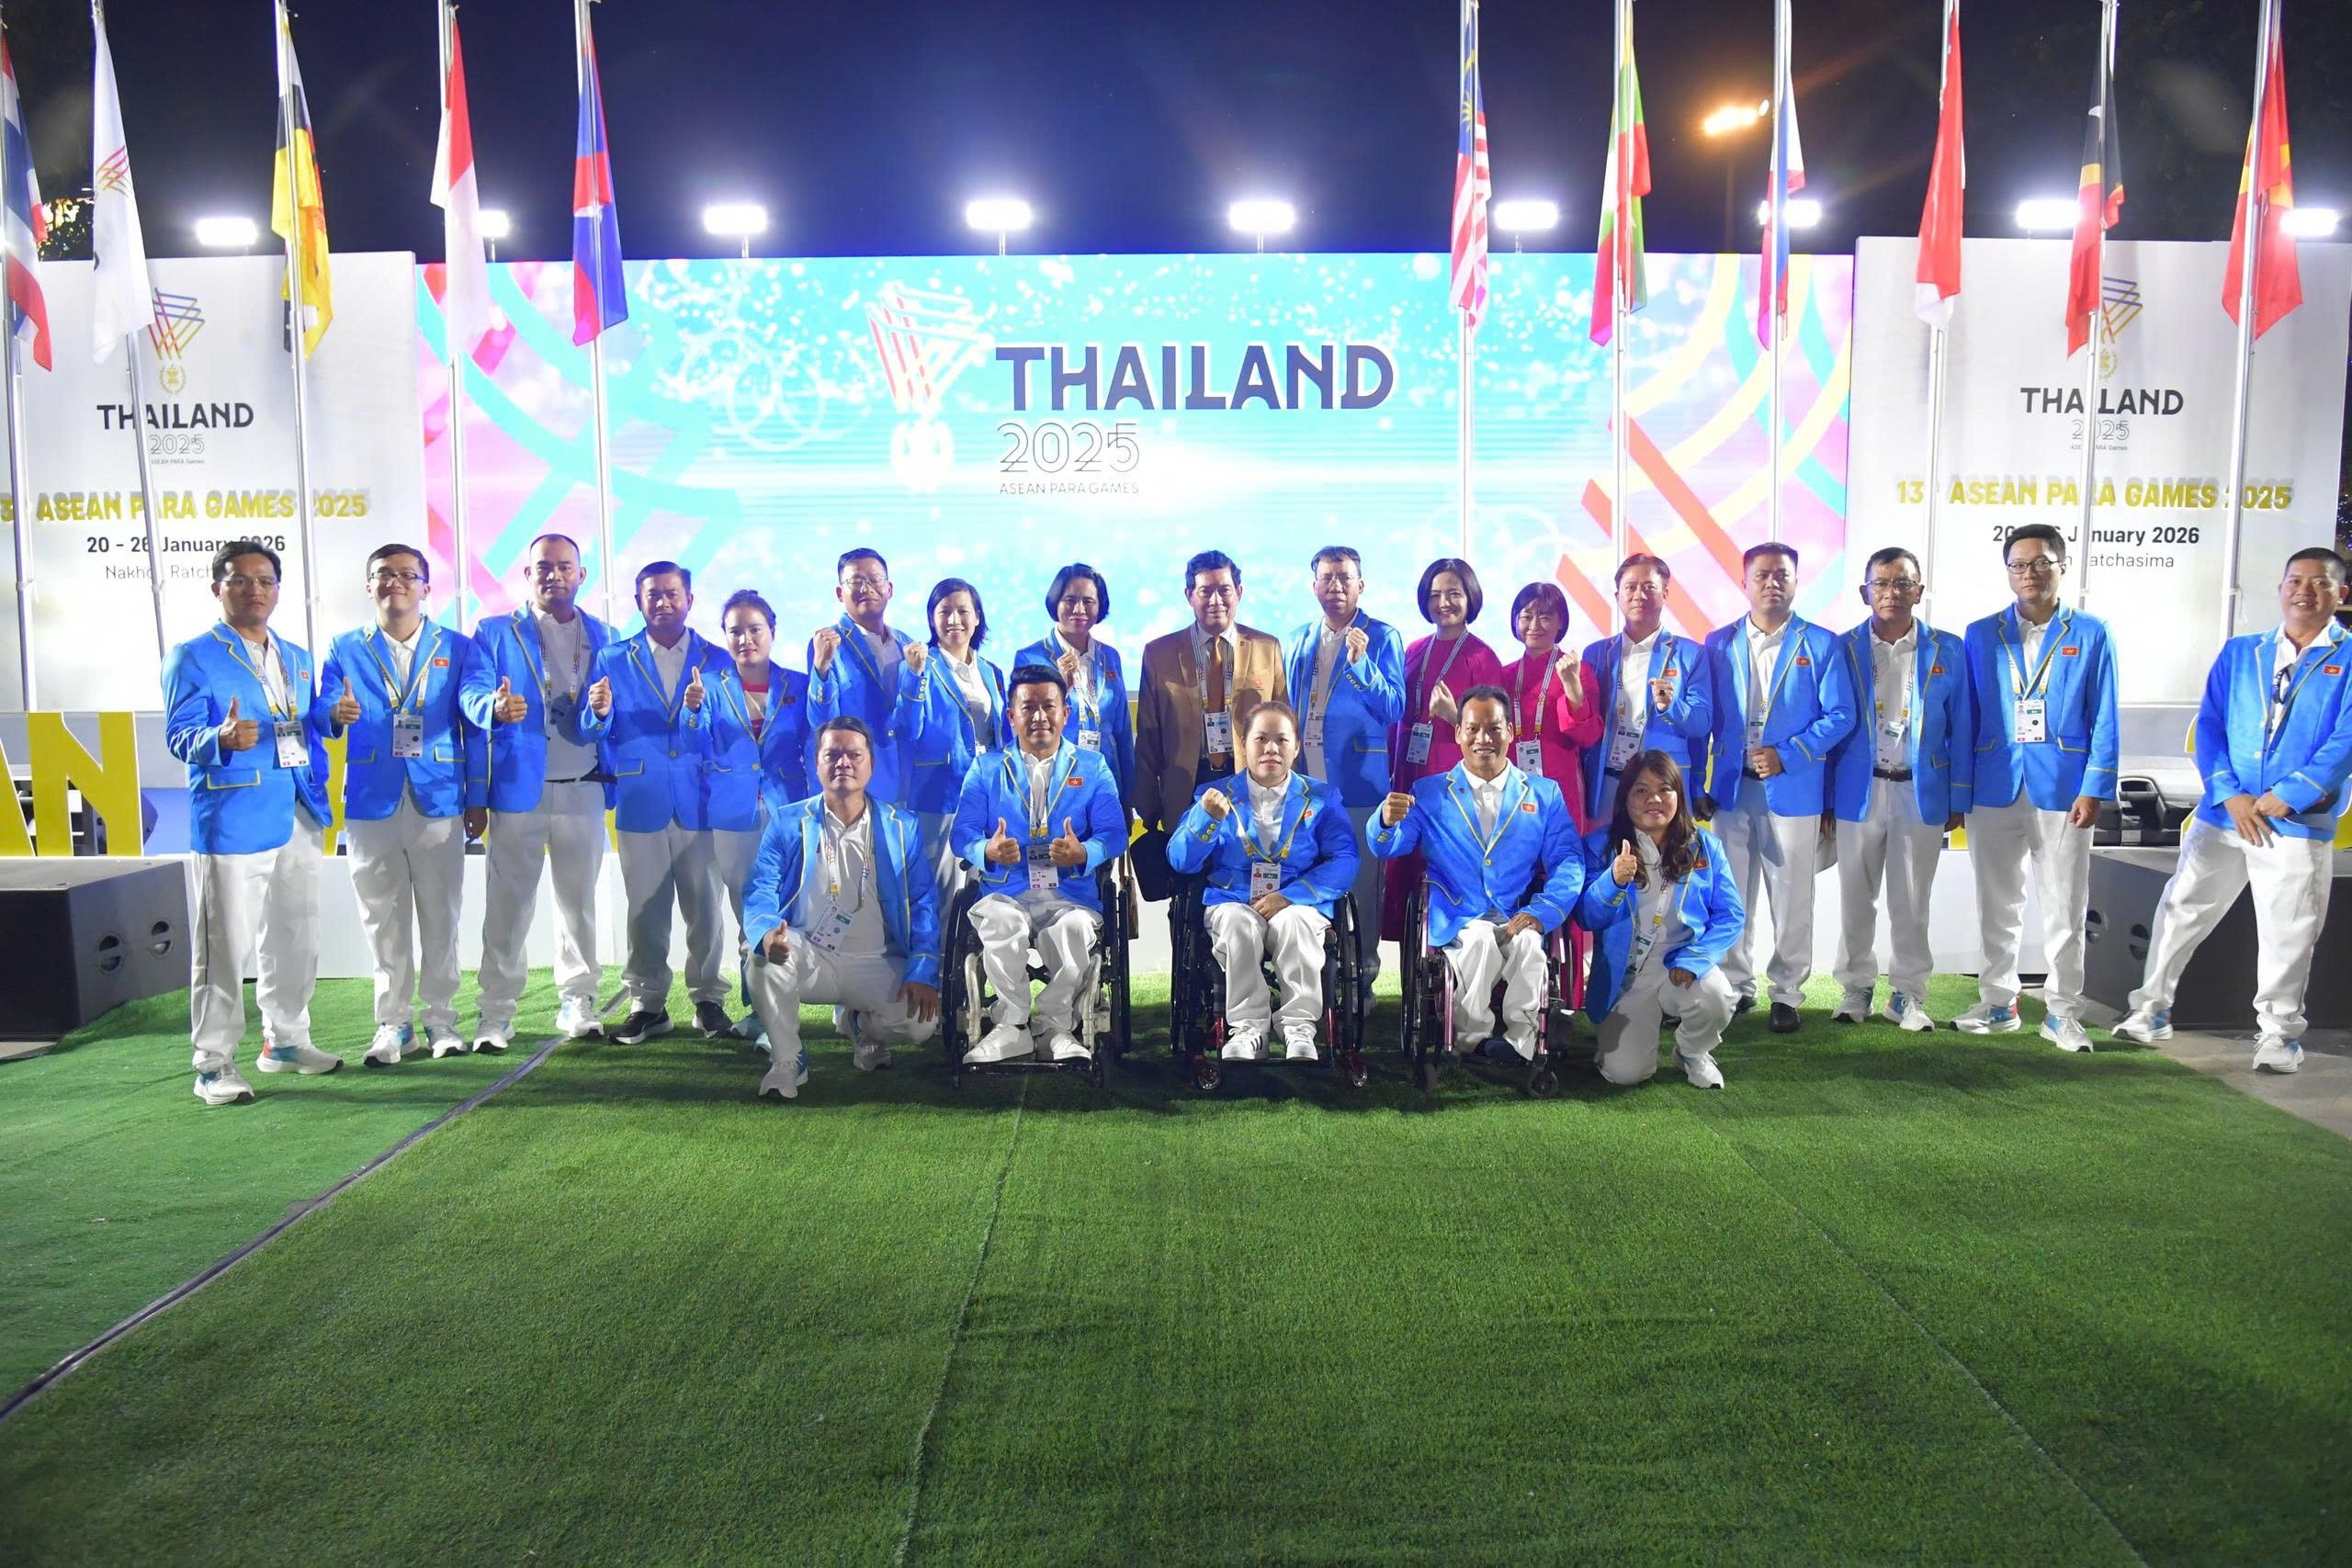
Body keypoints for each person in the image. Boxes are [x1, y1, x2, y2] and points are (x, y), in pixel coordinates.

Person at [2114, 547, 2352, 1071]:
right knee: (2182, 907)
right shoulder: (2243, 651)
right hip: (2225, 814)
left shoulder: (2349, 657)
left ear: (2341, 593)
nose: (2304, 591)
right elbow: (2211, 724)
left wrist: (2291, 794)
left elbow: (2346, 740)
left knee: (2289, 930)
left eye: (2319, 583)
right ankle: (2149, 1010)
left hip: (2294, 822)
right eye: (2295, 581)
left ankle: (2279, 1035)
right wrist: (2229, 793)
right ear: (2281, 587)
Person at [163, 541, 343, 1104]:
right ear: (218, 588)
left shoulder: (296, 656)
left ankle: (286, 1040)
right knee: (224, 946)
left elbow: (303, 723)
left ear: (278, 590)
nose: (254, 590)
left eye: (265, 580)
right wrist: (217, 737)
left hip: (298, 809)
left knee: (296, 934)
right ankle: (213, 1063)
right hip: (233, 817)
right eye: (240, 580)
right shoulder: (193, 656)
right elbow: (179, 735)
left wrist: (331, 716)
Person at [317, 544, 485, 1066]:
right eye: (384, 575)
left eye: (407, 575)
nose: (396, 582)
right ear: (369, 586)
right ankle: (393, 1024)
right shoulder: (344, 647)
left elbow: (473, 722)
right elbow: (323, 706)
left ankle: (442, 1021)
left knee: (442, 916)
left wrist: (477, 796)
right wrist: (335, 712)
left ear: (426, 587)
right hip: (371, 798)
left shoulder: (457, 646)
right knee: (381, 918)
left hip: (440, 796)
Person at [1957, 525, 2119, 1050]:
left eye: (2042, 563)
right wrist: (1960, 789)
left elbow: (2105, 714)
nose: (2030, 573)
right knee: (1996, 904)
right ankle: (1998, 1002)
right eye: (2019, 565)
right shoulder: (1981, 634)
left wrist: (2095, 786)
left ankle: (2063, 1012)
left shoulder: (2091, 632)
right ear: (2007, 572)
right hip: (1993, 785)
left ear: (2062, 567)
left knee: (2065, 906)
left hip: (2065, 789)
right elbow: (1965, 715)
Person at [1369, 685, 1582, 1064]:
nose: (1483, 739)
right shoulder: (1429, 792)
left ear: (1510, 731)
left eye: (1494, 728)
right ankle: (1471, 1038)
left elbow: (1568, 860)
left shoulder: (1544, 793)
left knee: (1530, 944)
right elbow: (1390, 847)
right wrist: (1384, 822)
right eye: (1473, 729)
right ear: (1458, 733)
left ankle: (1523, 1042)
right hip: (1458, 916)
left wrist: (1543, 911)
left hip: (1517, 912)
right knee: (1480, 940)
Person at [461, 533, 616, 1050]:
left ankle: (578, 999)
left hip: (584, 786)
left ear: (581, 575)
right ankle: (496, 1012)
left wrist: (601, 712)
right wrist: (492, 707)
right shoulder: (494, 632)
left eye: (564, 566)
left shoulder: (607, 636)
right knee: (507, 908)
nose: (554, 575)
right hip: (515, 790)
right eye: (543, 567)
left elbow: (612, 716)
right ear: (527, 575)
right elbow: (471, 692)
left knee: (580, 905)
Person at [1698, 543, 1856, 1032]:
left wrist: (1788, 754)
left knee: (1791, 896)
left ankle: (1787, 992)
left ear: (1795, 582)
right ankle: (1736, 985)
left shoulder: (1822, 643)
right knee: (1730, 892)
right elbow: (1705, 718)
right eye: (1762, 575)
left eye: (1781, 575)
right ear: (1744, 582)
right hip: (1731, 789)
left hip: (1794, 786)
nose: (1772, 583)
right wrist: (1699, 782)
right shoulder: (1717, 643)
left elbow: (1841, 714)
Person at [741, 716, 942, 1098]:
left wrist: (922, 969)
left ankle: (859, 1025)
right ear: (816, 763)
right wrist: (767, 934)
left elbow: (923, 902)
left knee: (920, 1025)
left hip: (875, 959)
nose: (843, 763)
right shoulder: (788, 821)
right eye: (832, 755)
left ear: (871, 764)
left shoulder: (902, 826)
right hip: (809, 954)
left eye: (854, 754)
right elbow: (760, 887)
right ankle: (787, 1060)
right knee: (760, 958)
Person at [579, 559, 733, 1044]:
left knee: (705, 908)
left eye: (672, 594)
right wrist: (599, 713)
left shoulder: (718, 658)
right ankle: (647, 1004)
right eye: (653, 595)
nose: (663, 602)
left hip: (701, 800)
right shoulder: (612, 658)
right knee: (644, 910)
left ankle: (708, 1000)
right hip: (639, 797)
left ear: (689, 599)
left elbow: (727, 731)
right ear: (638, 602)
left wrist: (700, 714)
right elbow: (590, 727)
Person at [950, 666, 1127, 1063]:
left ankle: (1055, 1028)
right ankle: (1011, 1027)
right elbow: (961, 835)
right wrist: (987, 850)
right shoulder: (986, 768)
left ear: (1065, 713)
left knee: (1074, 929)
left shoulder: (1093, 766)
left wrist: (1084, 852)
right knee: (999, 922)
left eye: (1049, 706)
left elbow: (1115, 834)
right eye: (1028, 707)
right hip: (1006, 891)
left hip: (1069, 894)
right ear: (1011, 716)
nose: (1039, 716)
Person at [1827, 548, 1972, 1031]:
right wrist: (1827, 799)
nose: (1892, 592)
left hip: (1920, 789)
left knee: (1912, 900)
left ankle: (1908, 994)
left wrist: (1959, 797)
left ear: (1919, 591)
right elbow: (1830, 725)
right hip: (1859, 789)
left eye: (1903, 583)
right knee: (1855, 896)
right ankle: (1855, 989)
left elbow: (1963, 728)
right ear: (1864, 592)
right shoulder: (1841, 648)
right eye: (1882, 583)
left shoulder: (1949, 649)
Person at [1170, 700, 1361, 1061]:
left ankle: (1299, 1029)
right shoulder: (1214, 795)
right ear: (1244, 744)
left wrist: (1291, 896)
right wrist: (1206, 820)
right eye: (1261, 739)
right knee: (1238, 924)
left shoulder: (1322, 798)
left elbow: (1345, 859)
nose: (1271, 748)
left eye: (1281, 740)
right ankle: (1248, 1030)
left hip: (1297, 900)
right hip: (1233, 899)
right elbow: (1181, 861)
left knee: (1296, 924)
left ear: (1296, 747)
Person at [1577, 751, 1745, 1089]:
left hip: (1680, 965)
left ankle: (1692, 1052)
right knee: (1625, 1075)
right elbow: (1586, 917)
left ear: (1678, 796)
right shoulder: (1598, 846)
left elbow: (1730, 915)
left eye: (1664, 789)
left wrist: (1695, 960)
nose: (1654, 799)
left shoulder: (1705, 846)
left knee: (1717, 997)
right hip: (1626, 975)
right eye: (1641, 790)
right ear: (1624, 799)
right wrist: (1613, 881)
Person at [1282, 545, 1404, 997]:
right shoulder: (1297, 638)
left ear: (1360, 585)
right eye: (1327, 577)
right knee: (1309, 880)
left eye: (1344, 578)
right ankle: (1313, 978)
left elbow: (1394, 707)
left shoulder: (1383, 636)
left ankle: (1362, 980)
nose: (1335, 586)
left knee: (1362, 887)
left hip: (1359, 784)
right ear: (1313, 585)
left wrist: (1361, 665)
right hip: (1304, 785)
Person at [1131, 549, 1286, 891]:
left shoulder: (1268, 647)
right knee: (1189, 887)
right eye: (1205, 591)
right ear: (1190, 595)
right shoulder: (1159, 653)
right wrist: (1148, 808)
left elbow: (1283, 727)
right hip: (1186, 786)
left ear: (1239, 593)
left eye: (1224, 590)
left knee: (1242, 882)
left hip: (1249, 784)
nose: (1216, 600)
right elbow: (1148, 737)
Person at [706, 589, 812, 1047]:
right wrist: (692, 713)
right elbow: (696, 740)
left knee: (788, 908)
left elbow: (816, 741)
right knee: (747, 910)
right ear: (724, 636)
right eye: (735, 631)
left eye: (755, 630)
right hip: (734, 813)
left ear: (772, 632)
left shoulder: (799, 684)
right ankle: (759, 1011)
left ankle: (785, 1010)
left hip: (789, 808)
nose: (745, 639)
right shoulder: (709, 687)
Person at [1381, 558, 1506, 941]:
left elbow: (1496, 732)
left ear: (1470, 597)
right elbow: (1396, 715)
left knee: (1446, 864)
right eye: (1435, 595)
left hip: (1454, 777)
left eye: (1454, 593)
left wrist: (1455, 717)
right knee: (1406, 857)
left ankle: (1453, 948)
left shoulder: (1482, 657)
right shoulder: (1414, 649)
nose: (1444, 603)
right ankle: (1410, 957)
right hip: (1410, 771)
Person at [1500, 581, 1604, 1006]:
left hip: (1561, 794)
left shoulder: (1577, 670)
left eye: (1545, 616)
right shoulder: (1504, 674)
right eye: (1526, 615)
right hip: (1513, 794)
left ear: (1561, 622)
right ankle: (1507, 984)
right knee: (1514, 878)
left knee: (1564, 877)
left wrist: (1573, 687)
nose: (1535, 624)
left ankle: (1570, 990)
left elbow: (1587, 735)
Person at [896, 577, 1009, 910]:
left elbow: (1001, 733)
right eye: (944, 611)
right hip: (939, 793)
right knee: (938, 888)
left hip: (987, 792)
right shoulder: (919, 666)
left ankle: (971, 946)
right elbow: (906, 730)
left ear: (977, 617)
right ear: (932, 619)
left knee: (984, 886)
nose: (954, 620)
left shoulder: (991, 671)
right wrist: (914, 676)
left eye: (963, 611)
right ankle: (936, 946)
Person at [1578, 555, 1713, 828]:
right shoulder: (1596, 653)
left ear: (1665, 594)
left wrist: (1672, 706)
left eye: (1649, 587)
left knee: (1662, 854)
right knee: (1604, 852)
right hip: (1607, 780)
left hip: (1662, 784)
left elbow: (1702, 724)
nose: (1639, 594)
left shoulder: (1691, 654)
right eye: (1630, 587)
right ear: (1618, 596)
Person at [1012, 562, 1136, 803]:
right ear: (1055, 602)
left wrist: (1129, 795)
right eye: (1070, 600)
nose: (1079, 609)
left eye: (1088, 601)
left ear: (1100, 606)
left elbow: (1122, 732)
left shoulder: (1110, 657)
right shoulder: (1030, 658)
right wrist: (1061, 687)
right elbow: (1022, 731)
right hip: (1055, 786)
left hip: (1106, 783)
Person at [808, 547, 919, 804]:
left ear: (889, 588)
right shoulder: (827, 643)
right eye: (856, 581)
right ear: (839, 593)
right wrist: (821, 668)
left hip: (906, 778)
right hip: (854, 784)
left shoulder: (907, 644)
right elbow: (822, 723)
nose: (866, 588)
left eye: (875, 579)